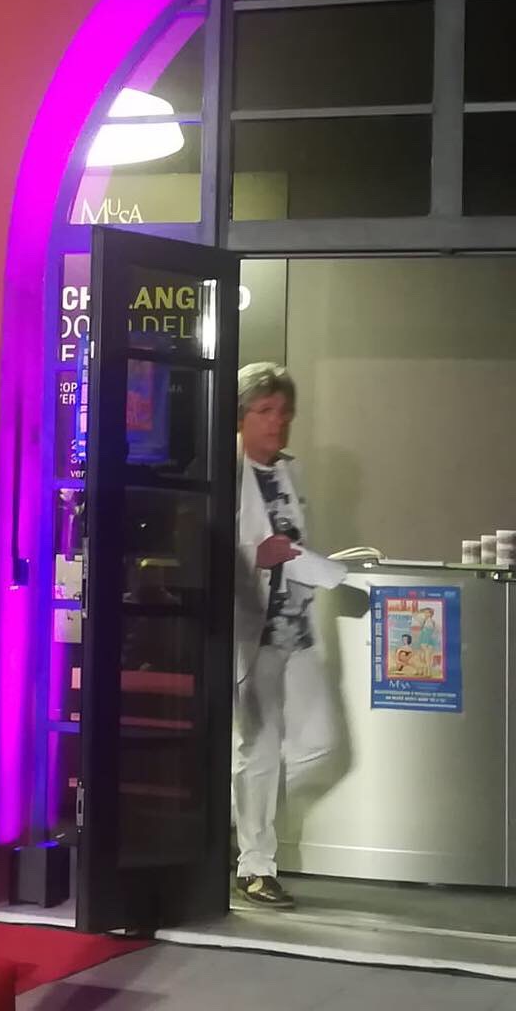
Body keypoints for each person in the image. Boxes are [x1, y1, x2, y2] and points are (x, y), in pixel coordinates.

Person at [232, 362, 345, 911]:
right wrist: (256, 555)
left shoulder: (289, 472)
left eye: (284, 412)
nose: (278, 422)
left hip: (294, 628)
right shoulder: (226, 472)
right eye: (265, 411)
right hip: (250, 629)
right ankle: (255, 865)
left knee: (320, 741)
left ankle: (242, 819)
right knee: (258, 749)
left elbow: (296, 542)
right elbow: (205, 547)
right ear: (241, 417)